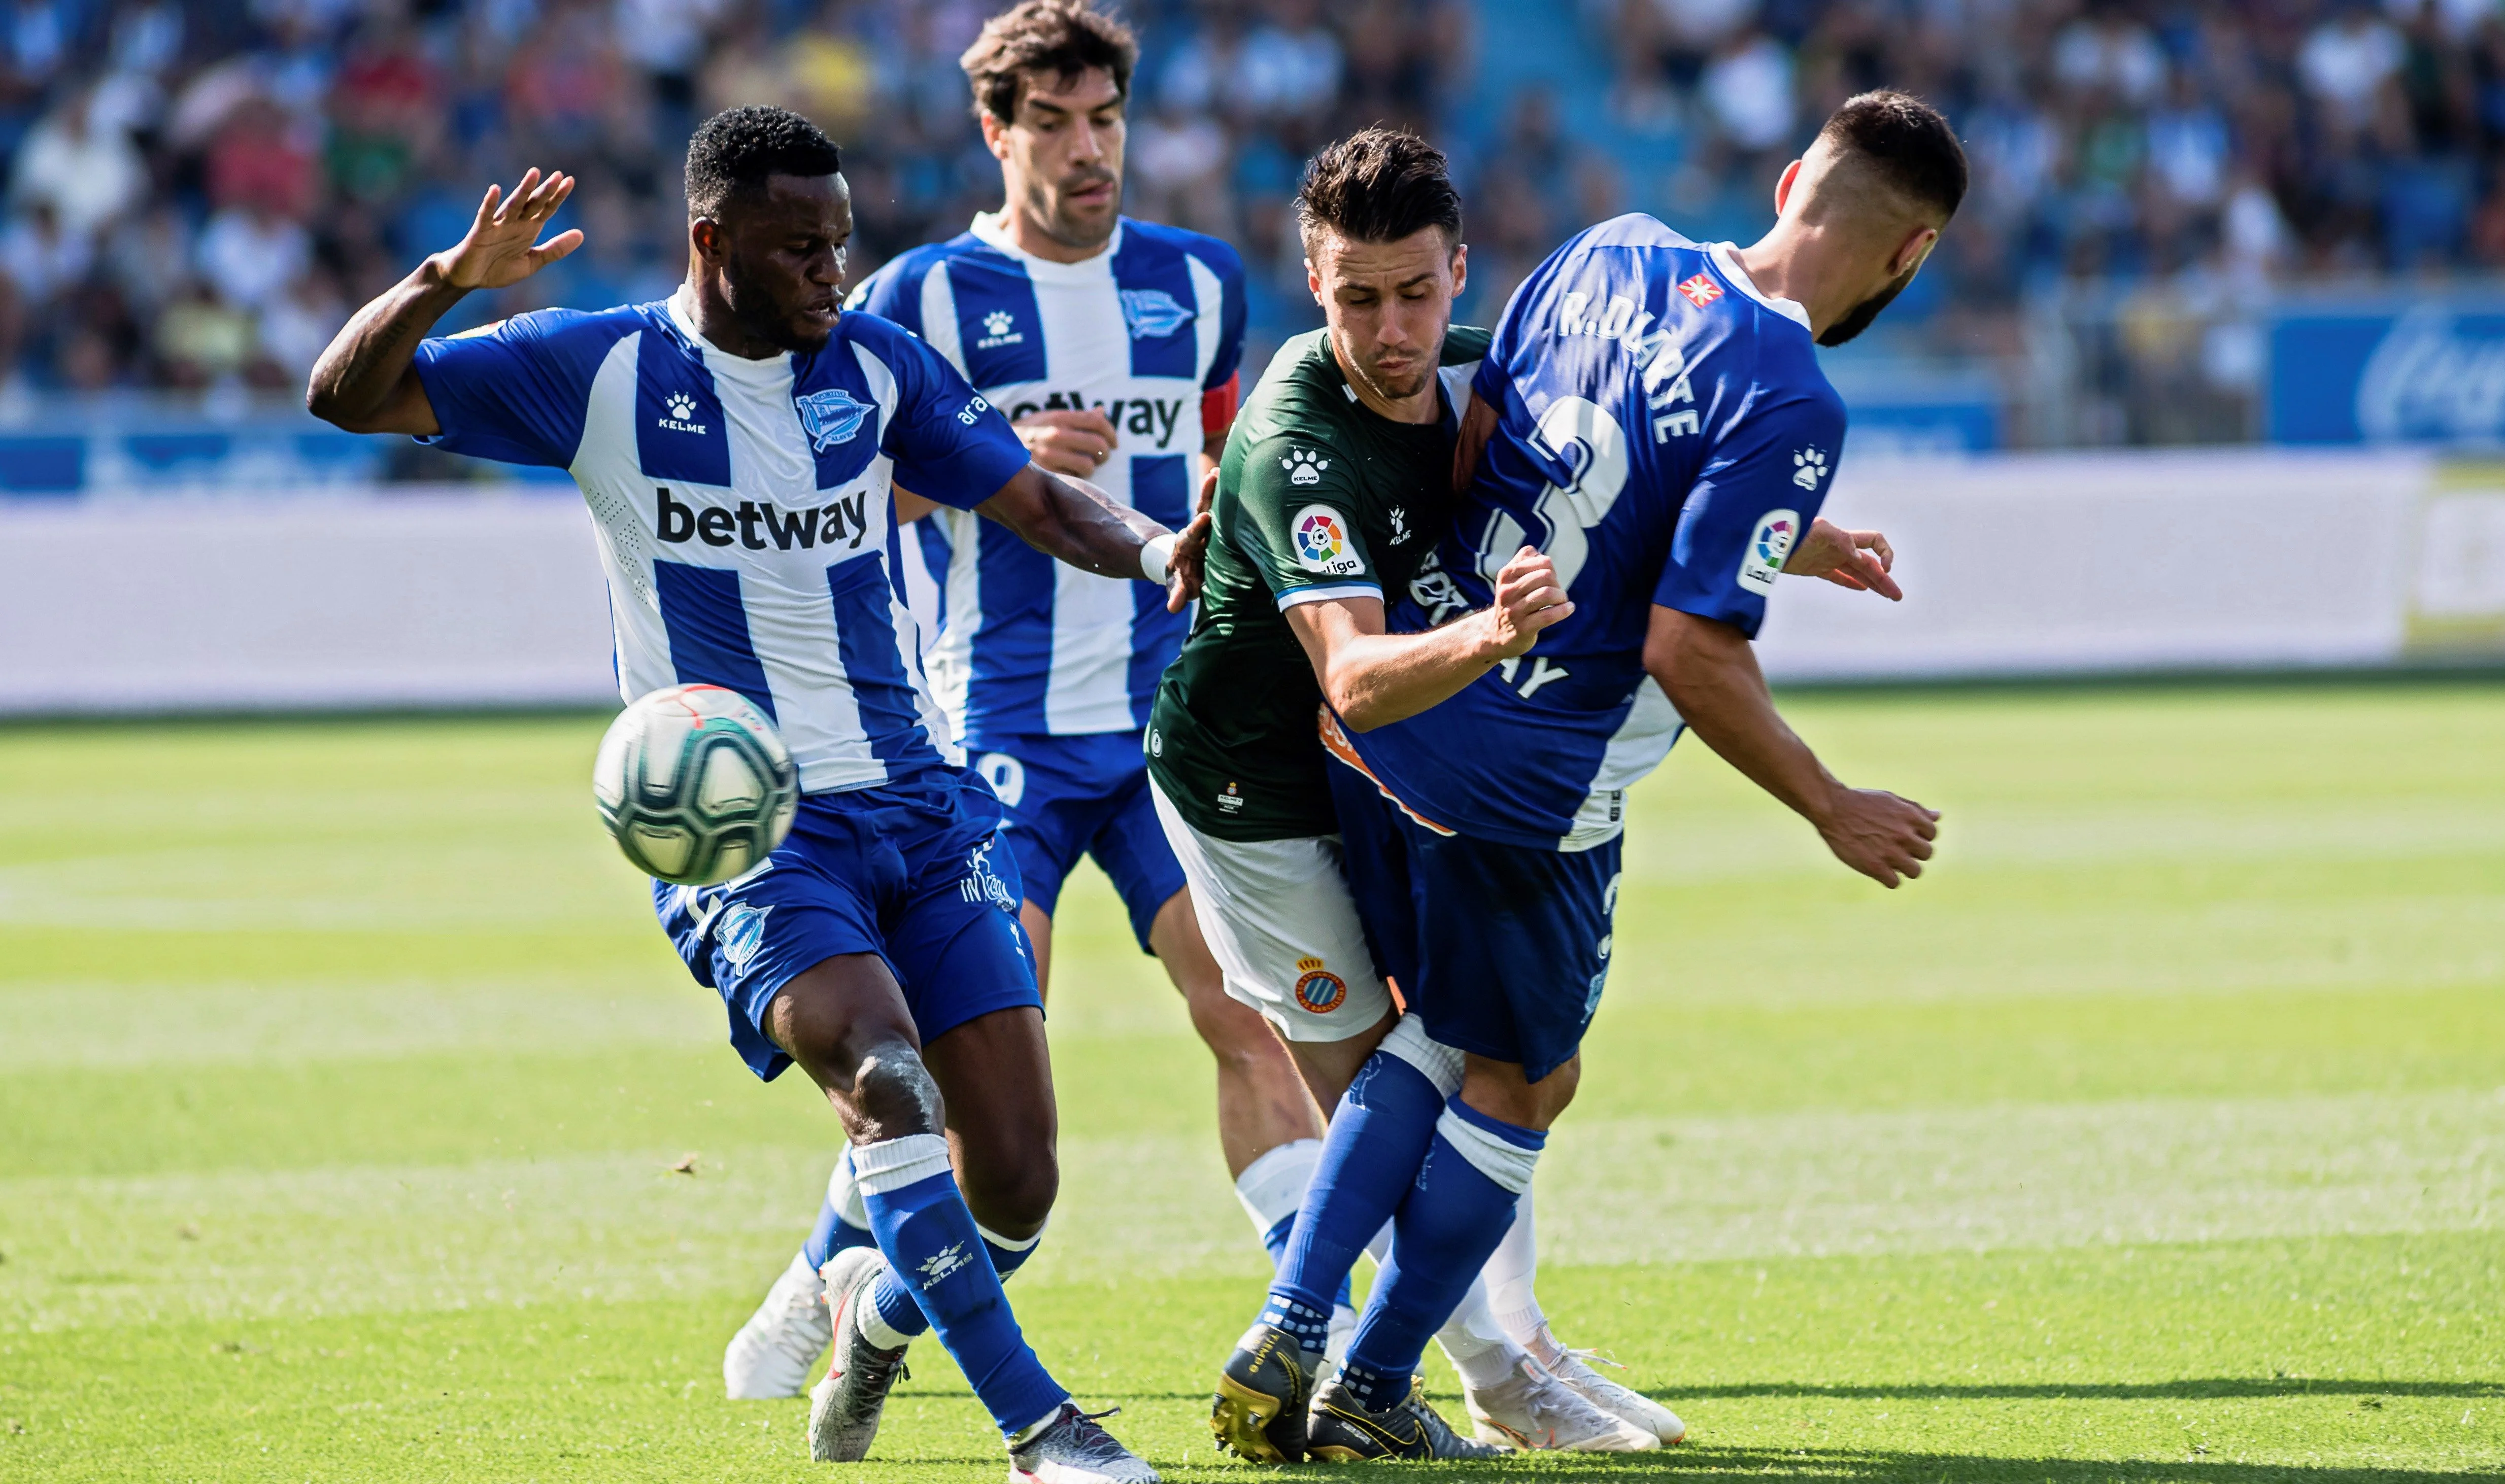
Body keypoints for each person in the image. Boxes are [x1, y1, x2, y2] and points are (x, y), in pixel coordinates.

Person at [303, 106, 1196, 1484]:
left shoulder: (877, 367)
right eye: (799, 252)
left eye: (839, 246)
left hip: (917, 800)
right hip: (750, 831)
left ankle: (879, 1313)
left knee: (1015, 1174)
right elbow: (344, 397)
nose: (832, 276)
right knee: (886, 1077)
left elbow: (1041, 504)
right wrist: (441, 283)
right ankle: (1041, 1428)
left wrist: (1158, 559)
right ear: (713, 242)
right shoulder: (592, 368)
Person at [1216, 91, 1953, 1462]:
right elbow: (1690, 646)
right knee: (1520, 1078)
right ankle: (1360, 1360)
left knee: (1434, 1033)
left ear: (1793, 177)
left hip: (1399, 719)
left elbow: (1499, 440)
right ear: (1910, 256)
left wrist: (1790, 538)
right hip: (1534, 784)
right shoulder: (1790, 394)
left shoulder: (1614, 246)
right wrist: (1829, 800)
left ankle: (1305, 1325)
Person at [717, 1, 1325, 1408]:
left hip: (1173, 725)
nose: (1085, 147)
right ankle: (827, 1278)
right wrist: (995, 459)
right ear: (997, 134)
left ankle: (1315, 1315)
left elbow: (1230, 477)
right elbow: (830, 495)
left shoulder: (1201, 282)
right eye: (1049, 122)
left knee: (1248, 1015)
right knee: (977, 1061)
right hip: (990, 736)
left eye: (1103, 117)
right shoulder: (922, 297)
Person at [1166, 129, 1695, 1460]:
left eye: (1415, 293)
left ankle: (1444, 1357)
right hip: (1260, 800)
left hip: (1397, 777)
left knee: (1492, 1053)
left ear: (1460, 272)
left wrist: (1798, 540)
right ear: (1312, 276)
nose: (1389, 330)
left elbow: (1631, 471)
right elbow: (1349, 676)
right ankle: (1429, 1367)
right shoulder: (1303, 438)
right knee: (1402, 1093)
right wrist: (1489, 639)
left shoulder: (1480, 371)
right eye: (1355, 298)